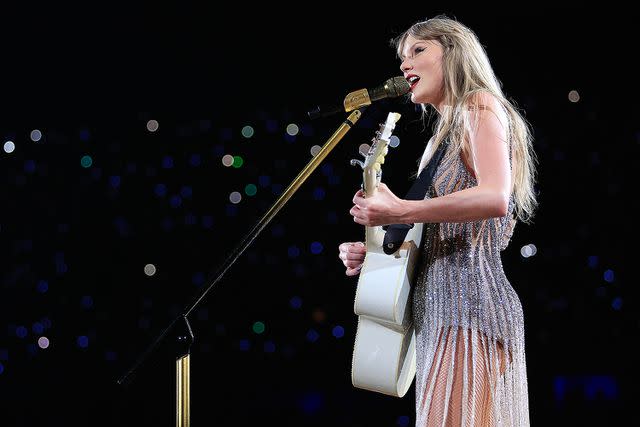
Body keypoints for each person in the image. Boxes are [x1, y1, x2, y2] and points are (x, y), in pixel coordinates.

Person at [338, 15, 538, 426]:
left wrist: (400, 210)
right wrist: (378, 256)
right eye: (401, 58)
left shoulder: (479, 105)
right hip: (441, 309)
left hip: (468, 304)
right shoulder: (439, 138)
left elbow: (494, 196)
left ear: (454, 53)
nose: (405, 65)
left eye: (418, 50)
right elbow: (441, 231)